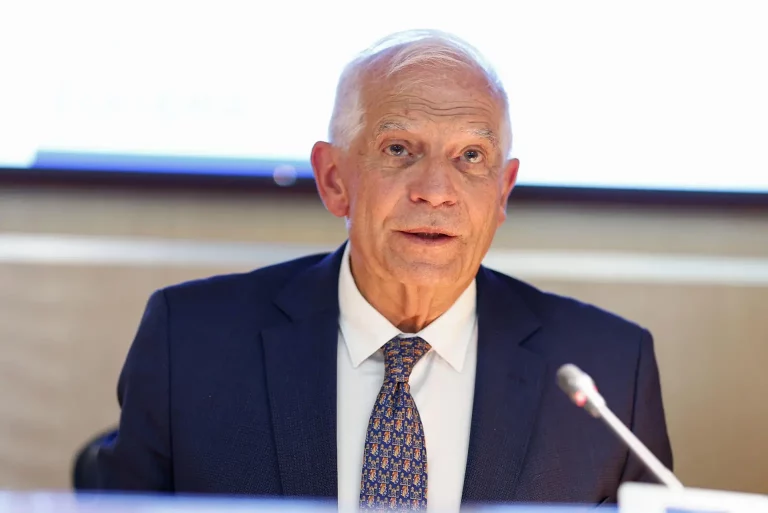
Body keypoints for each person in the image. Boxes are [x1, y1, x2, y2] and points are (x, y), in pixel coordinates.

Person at [96, 30, 673, 510]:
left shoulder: (610, 372)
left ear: (503, 191)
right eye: (399, 149)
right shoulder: (191, 342)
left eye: (470, 157)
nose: (435, 191)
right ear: (334, 179)